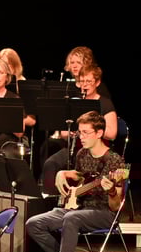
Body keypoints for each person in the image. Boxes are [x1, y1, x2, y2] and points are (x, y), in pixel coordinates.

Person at [26, 110, 126, 252]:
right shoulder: (82, 154)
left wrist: (112, 190)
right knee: (34, 223)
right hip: (78, 207)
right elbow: (80, 180)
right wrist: (62, 173)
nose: (81, 136)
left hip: (104, 212)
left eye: (86, 132)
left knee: (72, 218)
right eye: (80, 132)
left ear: (99, 133)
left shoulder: (116, 161)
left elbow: (116, 206)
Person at [41, 65, 118, 195]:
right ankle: (51, 200)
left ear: (97, 82)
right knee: (50, 164)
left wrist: (90, 130)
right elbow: (64, 134)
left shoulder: (105, 103)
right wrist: (71, 132)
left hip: (95, 152)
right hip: (75, 150)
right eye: (82, 81)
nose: (85, 85)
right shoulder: (74, 102)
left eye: (89, 81)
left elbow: (112, 133)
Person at [0, 58, 33, 153]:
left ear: (7, 77)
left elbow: (20, 133)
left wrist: (3, 117)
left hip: (6, 144)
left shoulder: (14, 99)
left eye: (1, 73)